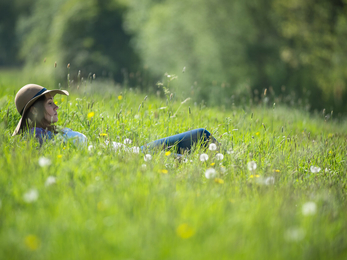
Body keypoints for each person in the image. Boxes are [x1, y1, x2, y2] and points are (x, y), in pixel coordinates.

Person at [13, 84, 219, 154]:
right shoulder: (38, 136)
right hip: (135, 157)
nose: (56, 105)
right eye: (50, 103)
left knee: (200, 137)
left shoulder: (50, 132)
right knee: (200, 136)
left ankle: (231, 163)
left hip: (133, 152)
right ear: (33, 112)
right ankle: (231, 164)